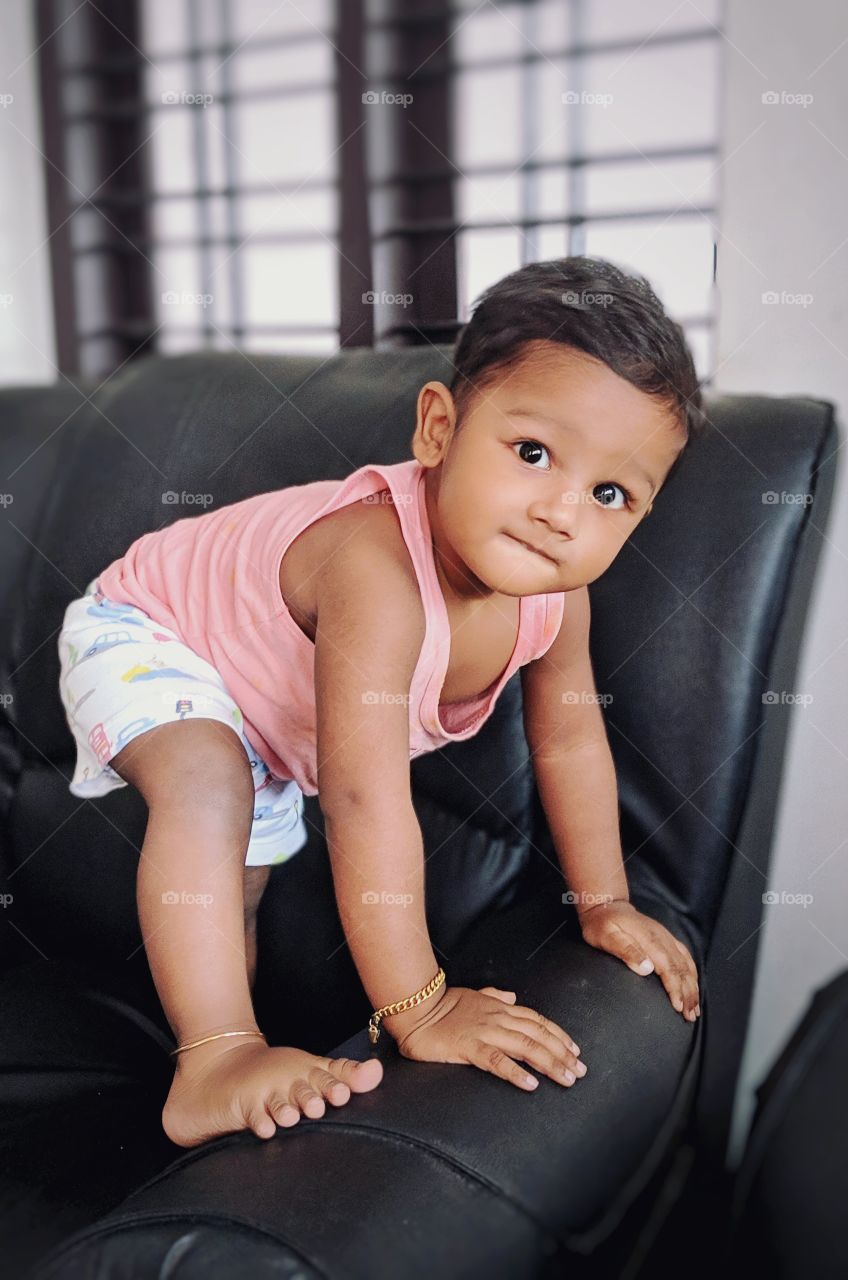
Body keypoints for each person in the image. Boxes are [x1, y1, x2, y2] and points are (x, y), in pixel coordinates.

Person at [57, 255, 706, 1150]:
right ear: (438, 428)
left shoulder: (561, 598)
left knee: (236, 870)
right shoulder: (378, 571)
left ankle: (215, 1039)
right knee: (209, 788)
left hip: (262, 702)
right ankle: (213, 1056)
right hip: (149, 629)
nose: (563, 511)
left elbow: (569, 738)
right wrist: (419, 1005)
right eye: (532, 453)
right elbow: (362, 798)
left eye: (610, 494)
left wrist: (603, 900)